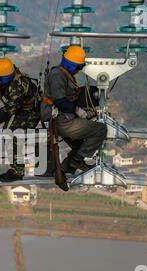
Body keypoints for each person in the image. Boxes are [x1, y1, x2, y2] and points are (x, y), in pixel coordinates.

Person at [44, 45, 107, 174]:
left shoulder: (63, 74)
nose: (78, 71)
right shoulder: (58, 75)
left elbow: (67, 99)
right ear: (72, 66)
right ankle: (77, 160)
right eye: (79, 67)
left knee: (79, 145)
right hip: (63, 121)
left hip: (63, 118)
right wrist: (78, 110)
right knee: (100, 130)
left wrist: (83, 109)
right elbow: (60, 101)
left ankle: (65, 168)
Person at [0, 57, 40, 182]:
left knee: (12, 134)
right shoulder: (1, 81)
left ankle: (17, 172)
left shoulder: (19, 86)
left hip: (31, 112)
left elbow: (8, 111)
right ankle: (15, 168)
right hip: (18, 108)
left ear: (5, 79)